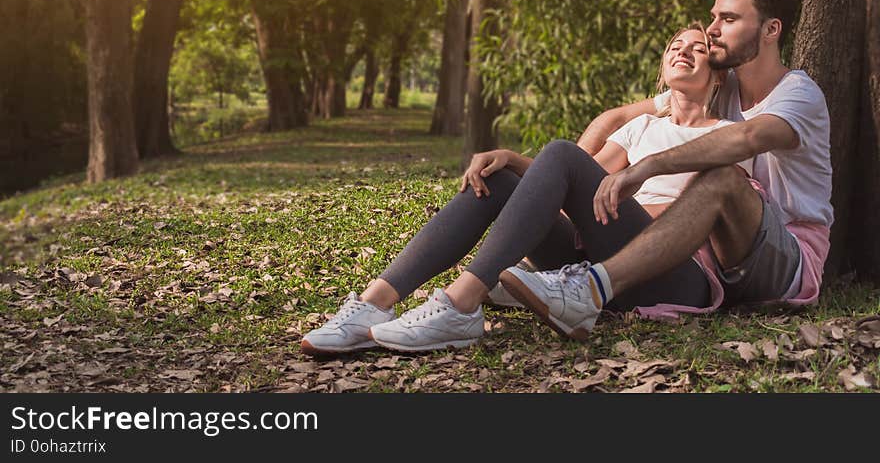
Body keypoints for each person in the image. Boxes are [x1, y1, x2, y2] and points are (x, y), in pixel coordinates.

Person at [301, 22, 750, 355]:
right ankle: (374, 304)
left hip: (670, 272)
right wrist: (511, 159)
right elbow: (570, 174)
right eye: (676, 46)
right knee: (497, 178)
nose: (684, 52)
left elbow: (727, 213)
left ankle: (461, 305)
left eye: (699, 49)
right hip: (595, 257)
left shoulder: (733, 133)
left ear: (718, 75)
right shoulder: (642, 127)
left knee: (556, 151)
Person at [501, 0, 832, 338]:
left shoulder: (799, 94)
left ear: (771, 29)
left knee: (722, 177)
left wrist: (647, 167)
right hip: (728, 251)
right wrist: (570, 177)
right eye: (714, 17)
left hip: (786, 255)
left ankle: (589, 290)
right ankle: (563, 282)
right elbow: (618, 117)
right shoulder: (722, 83)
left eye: (729, 19)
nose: (712, 29)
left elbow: (748, 136)